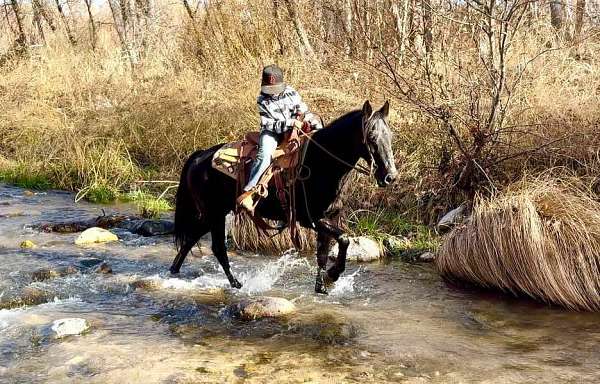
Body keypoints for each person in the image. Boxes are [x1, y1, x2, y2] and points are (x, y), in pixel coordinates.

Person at [237, 64, 322, 213]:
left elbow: (303, 110)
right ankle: (250, 190)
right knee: (265, 155)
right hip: (272, 131)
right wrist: (290, 123)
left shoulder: (292, 93)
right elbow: (268, 123)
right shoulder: (262, 99)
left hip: (295, 129)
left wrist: (312, 123)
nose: (273, 93)